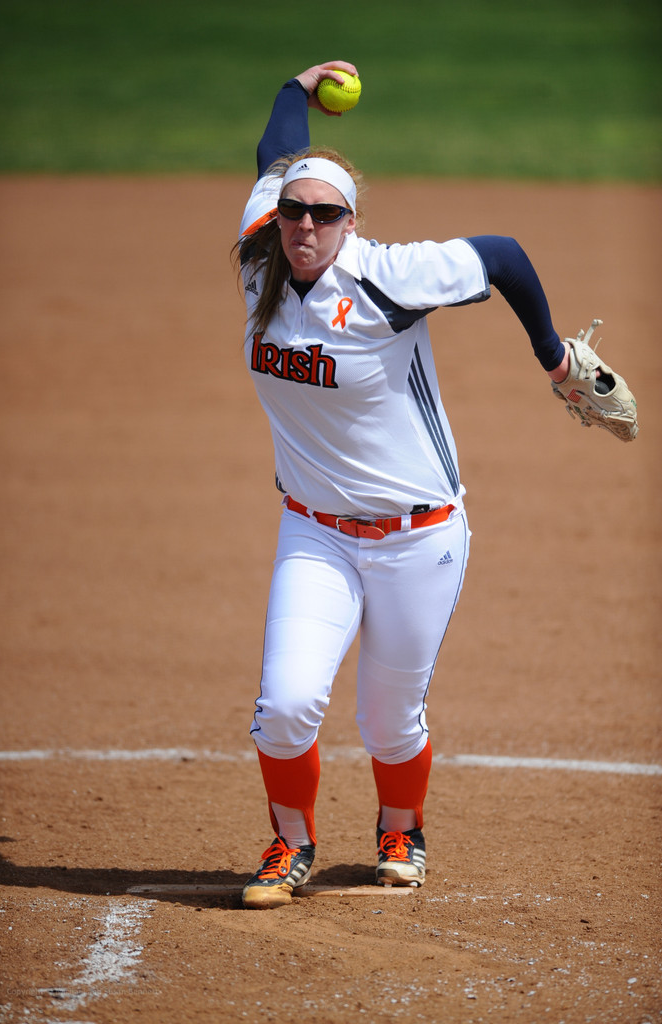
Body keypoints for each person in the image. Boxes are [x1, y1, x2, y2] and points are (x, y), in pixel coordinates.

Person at [234, 60, 571, 910]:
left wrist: (553, 353)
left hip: (418, 536)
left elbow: (503, 256)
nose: (305, 224)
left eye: (325, 214)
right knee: (285, 704)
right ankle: (290, 844)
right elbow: (277, 155)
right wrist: (294, 88)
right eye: (294, 211)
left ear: (350, 223)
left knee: (389, 721)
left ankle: (400, 831)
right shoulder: (258, 259)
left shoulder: (388, 276)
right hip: (313, 531)